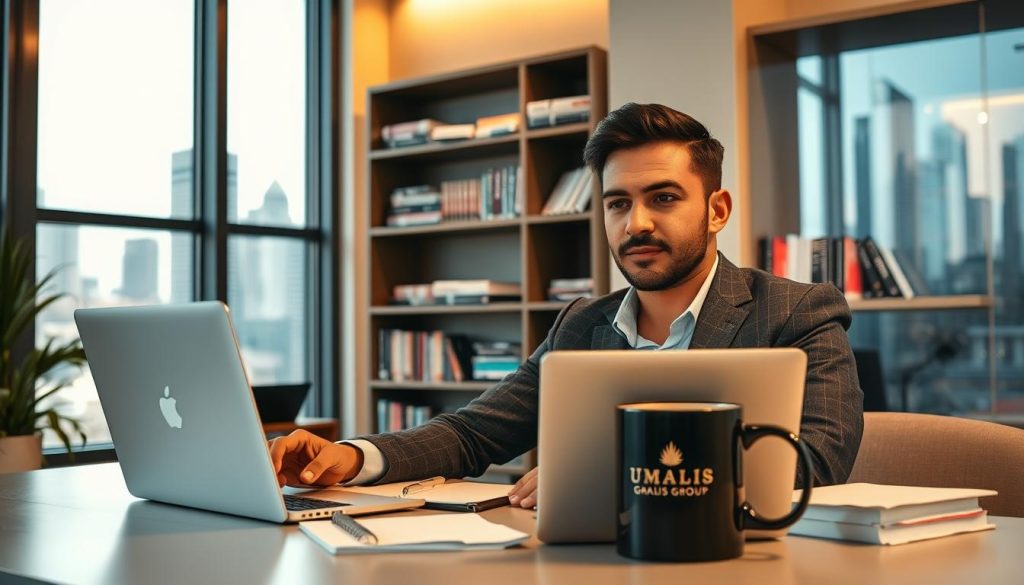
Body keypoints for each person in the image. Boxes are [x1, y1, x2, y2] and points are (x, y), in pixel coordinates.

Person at [270, 103, 864, 509]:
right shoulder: (582, 322)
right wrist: (349, 457)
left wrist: (606, 479)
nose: (638, 223)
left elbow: (814, 464)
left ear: (716, 210)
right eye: (616, 203)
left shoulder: (798, 313)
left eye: (663, 197)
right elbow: (473, 434)